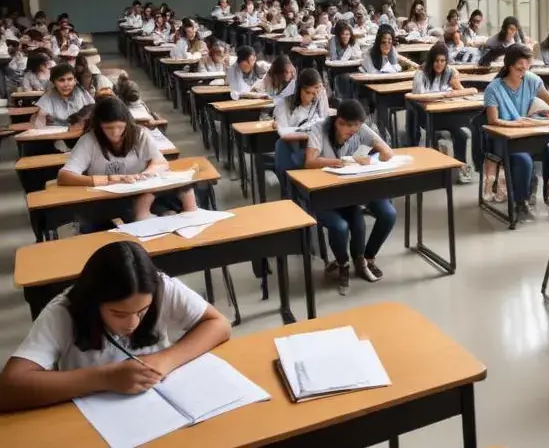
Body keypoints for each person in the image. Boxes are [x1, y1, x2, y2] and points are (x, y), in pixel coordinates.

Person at [0, 241, 230, 411]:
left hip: (157, 407)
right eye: (118, 313)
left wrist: (165, 360)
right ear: (94, 300)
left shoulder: (160, 288)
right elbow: (9, 388)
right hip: (89, 416)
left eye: (142, 311)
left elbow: (219, 324)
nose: (133, 323)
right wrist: (105, 378)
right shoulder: (64, 312)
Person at [278, 98, 397, 296]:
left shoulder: (360, 129)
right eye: (349, 126)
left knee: (370, 218)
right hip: (323, 192)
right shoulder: (320, 129)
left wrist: (377, 156)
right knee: (341, 226)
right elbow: (310, 161)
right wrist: (346, 161)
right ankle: (343, 263)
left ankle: (364, 259)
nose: (354, 131)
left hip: (351, 190)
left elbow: (387, 152)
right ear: (338, 122)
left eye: (357, 126)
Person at [58, 96, 198, 224]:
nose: (115, 133)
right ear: (99, 125)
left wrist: (146, 173)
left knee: (183, 190)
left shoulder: (139, 134)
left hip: (139, 193)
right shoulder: (89, 141)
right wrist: (108, 179)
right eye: (108, 128)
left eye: (120, 127)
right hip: (106, 200)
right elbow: (64, 176)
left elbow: (160, 162)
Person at [483, 44, 549, 218]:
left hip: (527, 134)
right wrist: (518, 124)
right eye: (519, 67)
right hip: (503, 139)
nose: (523, 71)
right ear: (509, 66)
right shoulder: (494, 88)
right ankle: (520, 202)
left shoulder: (531, 80)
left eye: (527, 65)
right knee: (524, 161)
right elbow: (493, 121)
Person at [407, 43, 476, 183]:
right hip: (425, 115)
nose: (439, 64)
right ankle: (435, 168)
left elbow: (468, 92)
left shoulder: (450, 72)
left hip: (445, 114)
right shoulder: (421, 75)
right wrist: (445, 95)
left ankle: (460, 166)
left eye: (443, 61)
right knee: (455, 129)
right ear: (431, 60)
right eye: (436, 61)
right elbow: (419, 99)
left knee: (461, 134)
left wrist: (457, 86)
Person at [33, 62, 95, 128]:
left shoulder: (81, 93)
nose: (66, 84)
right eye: (61, 80)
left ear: (75, 80)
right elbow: (40, 123)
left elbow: (92, 111)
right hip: (57, 135)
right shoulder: (48, 97)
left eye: (70, 79)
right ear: (53, 82)